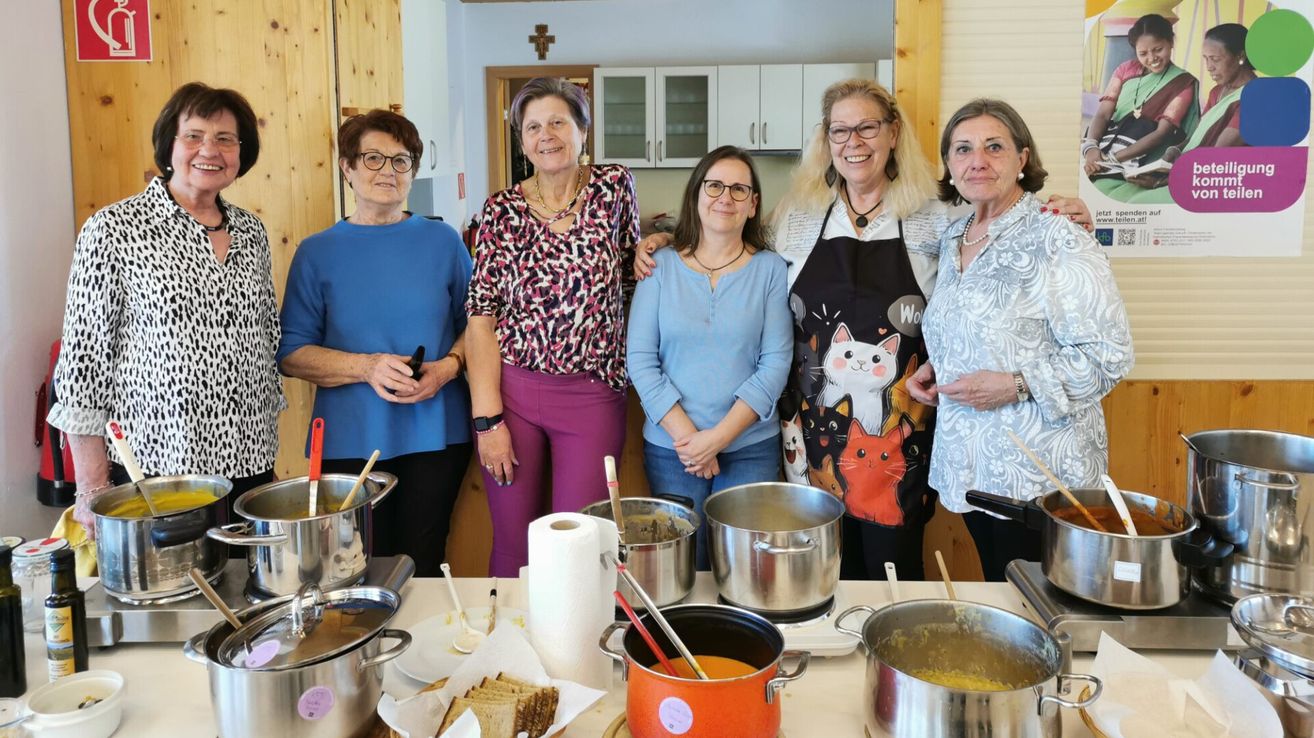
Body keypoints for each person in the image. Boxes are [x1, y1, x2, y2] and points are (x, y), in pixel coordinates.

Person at [636, 79, 1091, 582]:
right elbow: (727, 238)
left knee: (893, 566)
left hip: (901, 428)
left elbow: (1000, 223)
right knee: (823, 567)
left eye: (867, 127)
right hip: (810, 433)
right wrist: (661, 239)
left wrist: (1061, 211)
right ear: (826, 141)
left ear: (893, 133)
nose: (853, 141)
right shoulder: (798, 217)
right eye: (840, 130)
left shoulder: (937, 215)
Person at [909, 98, 1134, 581]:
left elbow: (1108, 355)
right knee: (1005, 591)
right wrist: (937, 367)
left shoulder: (1059, 235)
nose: (978, 161)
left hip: (1042, 474)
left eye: (995, 146)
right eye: (963, 149)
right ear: (949, 164)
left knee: (1047, 608)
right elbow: (969, 327)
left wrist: (1013, 384)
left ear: (1022, 158)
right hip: (972, 466)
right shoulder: (954, 239)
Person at [50, 82, 285, 536]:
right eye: (193, 135)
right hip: (155, 472)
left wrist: (266, 460)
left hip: (250, 463)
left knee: (246, 598)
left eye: (225, 139)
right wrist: (92, 488)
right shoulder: (114, 229)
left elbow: (264, 342)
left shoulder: (252, 232)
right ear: (168, 145)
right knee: (172, 603)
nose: (209, 150)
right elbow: (82, 365)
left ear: (242, 152)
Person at [278, 110, 472, 577]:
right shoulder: (316, 252)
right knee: (352, 568)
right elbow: (292, 353)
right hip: (349, 439)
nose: (388, 170)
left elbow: (479, 327)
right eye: (373, 158)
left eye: (401, 160)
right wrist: (367, 367)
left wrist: (448, 366)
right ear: (347, 167)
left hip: (436, 433)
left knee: (423, 561)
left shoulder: (444, 242)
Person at [466, 78, 639, 577]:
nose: (547, 135)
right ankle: (508, 652)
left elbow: (633, 274)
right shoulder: (500, 210)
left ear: (583, 131)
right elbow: (481, 319)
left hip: (593, 393)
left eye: (559, 122)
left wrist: (660, 244)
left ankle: (578, 652)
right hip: (513, 394)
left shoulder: (613, 187)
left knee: (580, 543)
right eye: (533, 126)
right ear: (521, 141)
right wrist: (487, 421)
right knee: (515, 542)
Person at [627, 146, 791, 570]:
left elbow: (774, 364)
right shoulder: (657, 267)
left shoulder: (771, 269)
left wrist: (716, 439)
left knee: (745, 569)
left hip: (750, 446)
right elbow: (641, 360)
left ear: (754, 204)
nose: (726, 197)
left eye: (740, 189)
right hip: (671, 449)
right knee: (685, 568)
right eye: (715, 185)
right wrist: (690, 442)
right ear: (696, 194)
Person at [1101, 23, 1255, 203]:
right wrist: (1175, 151)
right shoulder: (1217, 92)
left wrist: (1166, 181)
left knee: (1137, 203)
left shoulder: (1255, 98)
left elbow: (1217, 156)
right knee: (1118, 195)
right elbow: (1197, 137)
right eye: (1205, 59)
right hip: (1188, 170)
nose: (1209, 67)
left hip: (1211, 182)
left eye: (1215, 59)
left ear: (1240, 56)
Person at [1083, 14, 1200, 189]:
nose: (1152, 58)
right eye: (1143, 53)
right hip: (1105, 142)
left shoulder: (1182, 82)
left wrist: (1112, 160)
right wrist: (1091, 147)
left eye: (1158, 49)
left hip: (1141, 155)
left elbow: (1162, 133)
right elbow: (1103, 114)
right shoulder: (1125, 70)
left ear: (1171, 42)